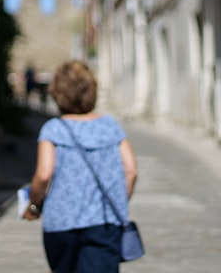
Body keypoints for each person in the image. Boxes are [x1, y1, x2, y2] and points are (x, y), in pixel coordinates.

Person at [22, 60, 139, 273]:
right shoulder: (110, 126)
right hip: (103, 222)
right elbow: (131, 171)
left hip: (61, 223)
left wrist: (33, 205)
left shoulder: (53, 129)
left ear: (58, 92)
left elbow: (44, 174)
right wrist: (119, 200)